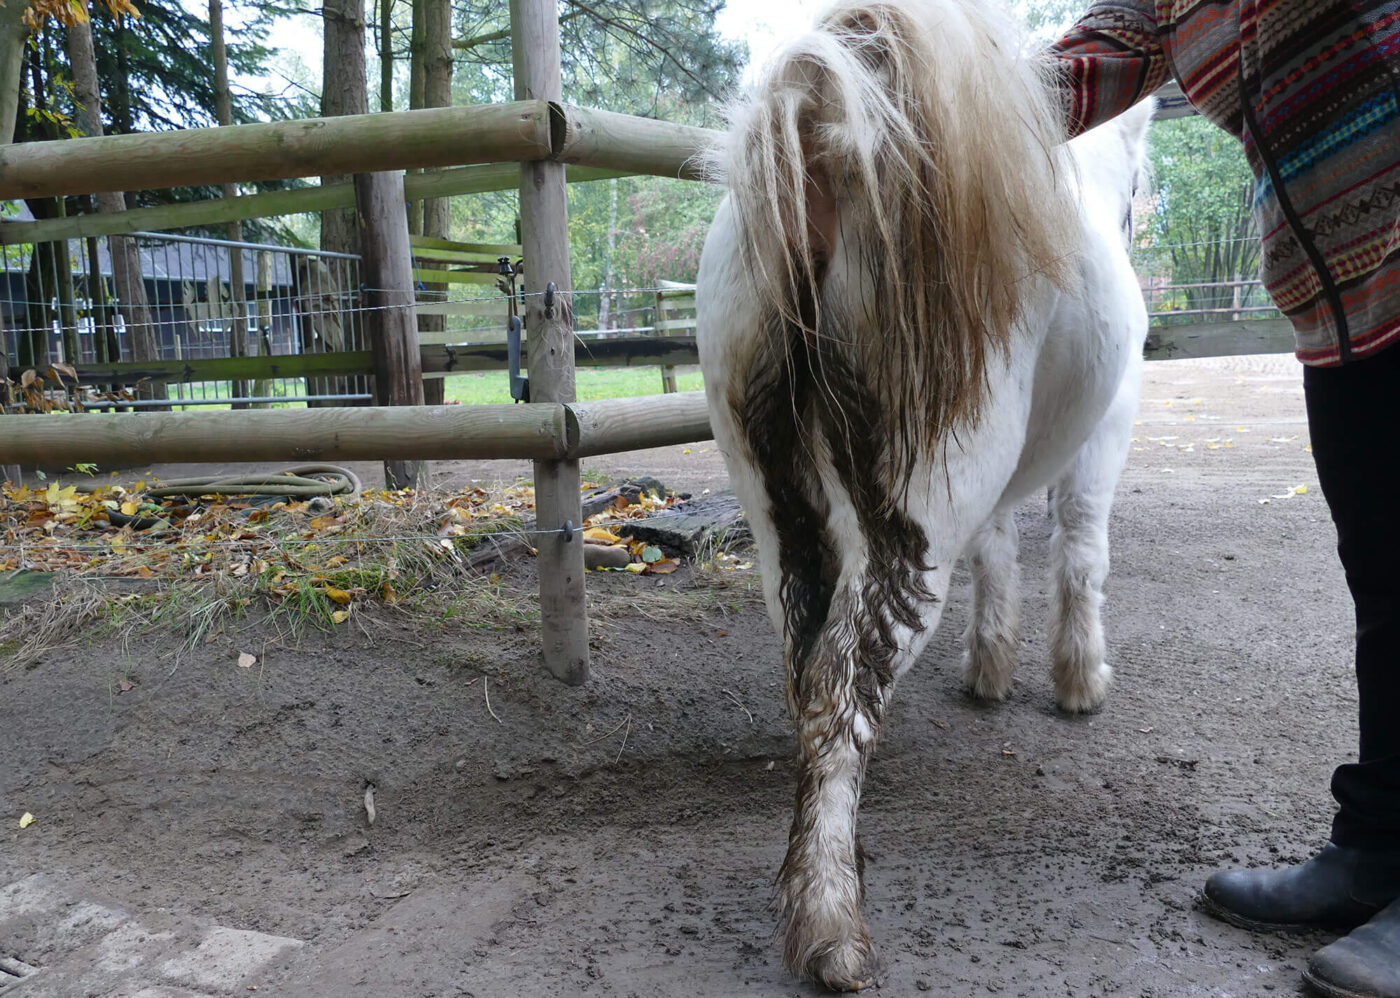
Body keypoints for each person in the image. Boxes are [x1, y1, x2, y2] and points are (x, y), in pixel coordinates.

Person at [1049, 4, 1400, 996]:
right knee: (1383, 575)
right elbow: (1068, 75)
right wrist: (919, 97)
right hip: (1340, 305)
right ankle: (1377, 842)